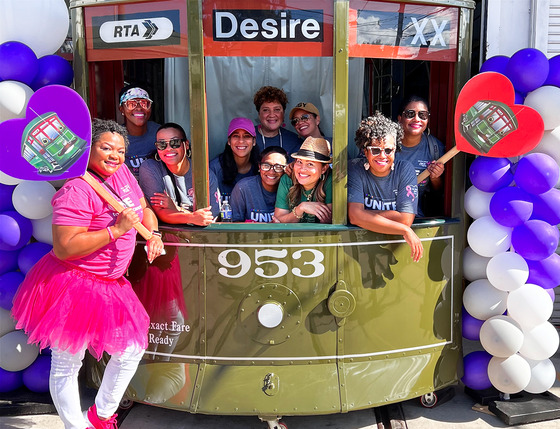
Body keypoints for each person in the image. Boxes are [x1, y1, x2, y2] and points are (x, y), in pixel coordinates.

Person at [11, 119, 164, 429]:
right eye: (106, 148)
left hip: (110, 284)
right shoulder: (77, 189)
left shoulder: (121, 173)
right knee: (67, 362)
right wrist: (115, 231)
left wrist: (154, 232)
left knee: (131, 349)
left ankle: (100, 416)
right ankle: (74, 426)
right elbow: (66, 247)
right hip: (72, 283)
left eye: (120, 150)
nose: (115, 156)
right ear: (88, 149)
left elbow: (143, 206)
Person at [348, 112, 423, 262]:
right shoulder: (355, 168)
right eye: (375, 150)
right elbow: (355, 216)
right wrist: (403, 229)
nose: (382, 156)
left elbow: (405, 219)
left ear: (395, 150)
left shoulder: (405, 169)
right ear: (365, 151)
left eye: (388, 150)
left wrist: (366, 215)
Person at [139, 122, 220, 226]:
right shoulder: (150, 168)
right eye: (162, 144)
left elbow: (209, 218)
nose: (168, 148)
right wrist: (192, 217)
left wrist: (176, 209)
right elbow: (161, 212)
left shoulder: (205, 174)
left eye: (175, 142)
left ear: (186, 145)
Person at [396, 95, 445, 217]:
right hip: (383, 215)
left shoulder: (435, 148)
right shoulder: (385, 145)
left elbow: (440, 193)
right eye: (410, 114)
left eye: (422, 115)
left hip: (415, 218)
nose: (417, 119)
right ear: (400, 118)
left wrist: (435, 177)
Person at [274, 137, 332, 223]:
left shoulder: (330, 181)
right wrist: (301, 208)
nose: (302, 169)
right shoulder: (287, 179)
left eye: (310, 164)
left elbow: (330, 222)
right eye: (299, 162)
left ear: (324, 169)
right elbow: (278, 220)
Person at [230, 146, 288, 222]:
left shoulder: (291, 189)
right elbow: (232, 223)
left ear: (286, 169)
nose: (271, 171)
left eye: (278, 167)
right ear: (259, 166)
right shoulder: (243, 187)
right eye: (266, 165)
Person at [209, 117, 260, 200]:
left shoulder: (261, 168)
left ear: (254, 141)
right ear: (229, 141)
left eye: (246, 136)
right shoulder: (214, 168)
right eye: (236, 136)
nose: (241, 141)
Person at [118, 85, 160, 178]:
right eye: (131, 104)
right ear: (122, 109)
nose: (138, 108)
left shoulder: (160, 134)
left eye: (144, 103)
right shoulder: (116, 138)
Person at [253, 86, 300, 155]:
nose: (272, 115)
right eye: (266, 110)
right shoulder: (247, 138)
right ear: (259, 114)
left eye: (277, 110)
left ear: (283, 113)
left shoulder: (294, 141)